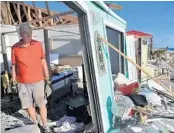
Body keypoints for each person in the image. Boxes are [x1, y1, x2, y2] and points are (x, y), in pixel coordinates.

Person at [11, 23, 51, 133]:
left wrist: (47, 75)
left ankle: (45, 124)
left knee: (41, 103)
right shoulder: (15, 47)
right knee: (28, 104)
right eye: (25, 33)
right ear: (20, 34)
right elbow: (14, 65)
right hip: (22, 82)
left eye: (29, 33)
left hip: (38, 80)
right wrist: (13, 79)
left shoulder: (37, 45)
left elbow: (43, 60)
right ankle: (34, 121)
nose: (28, 36)